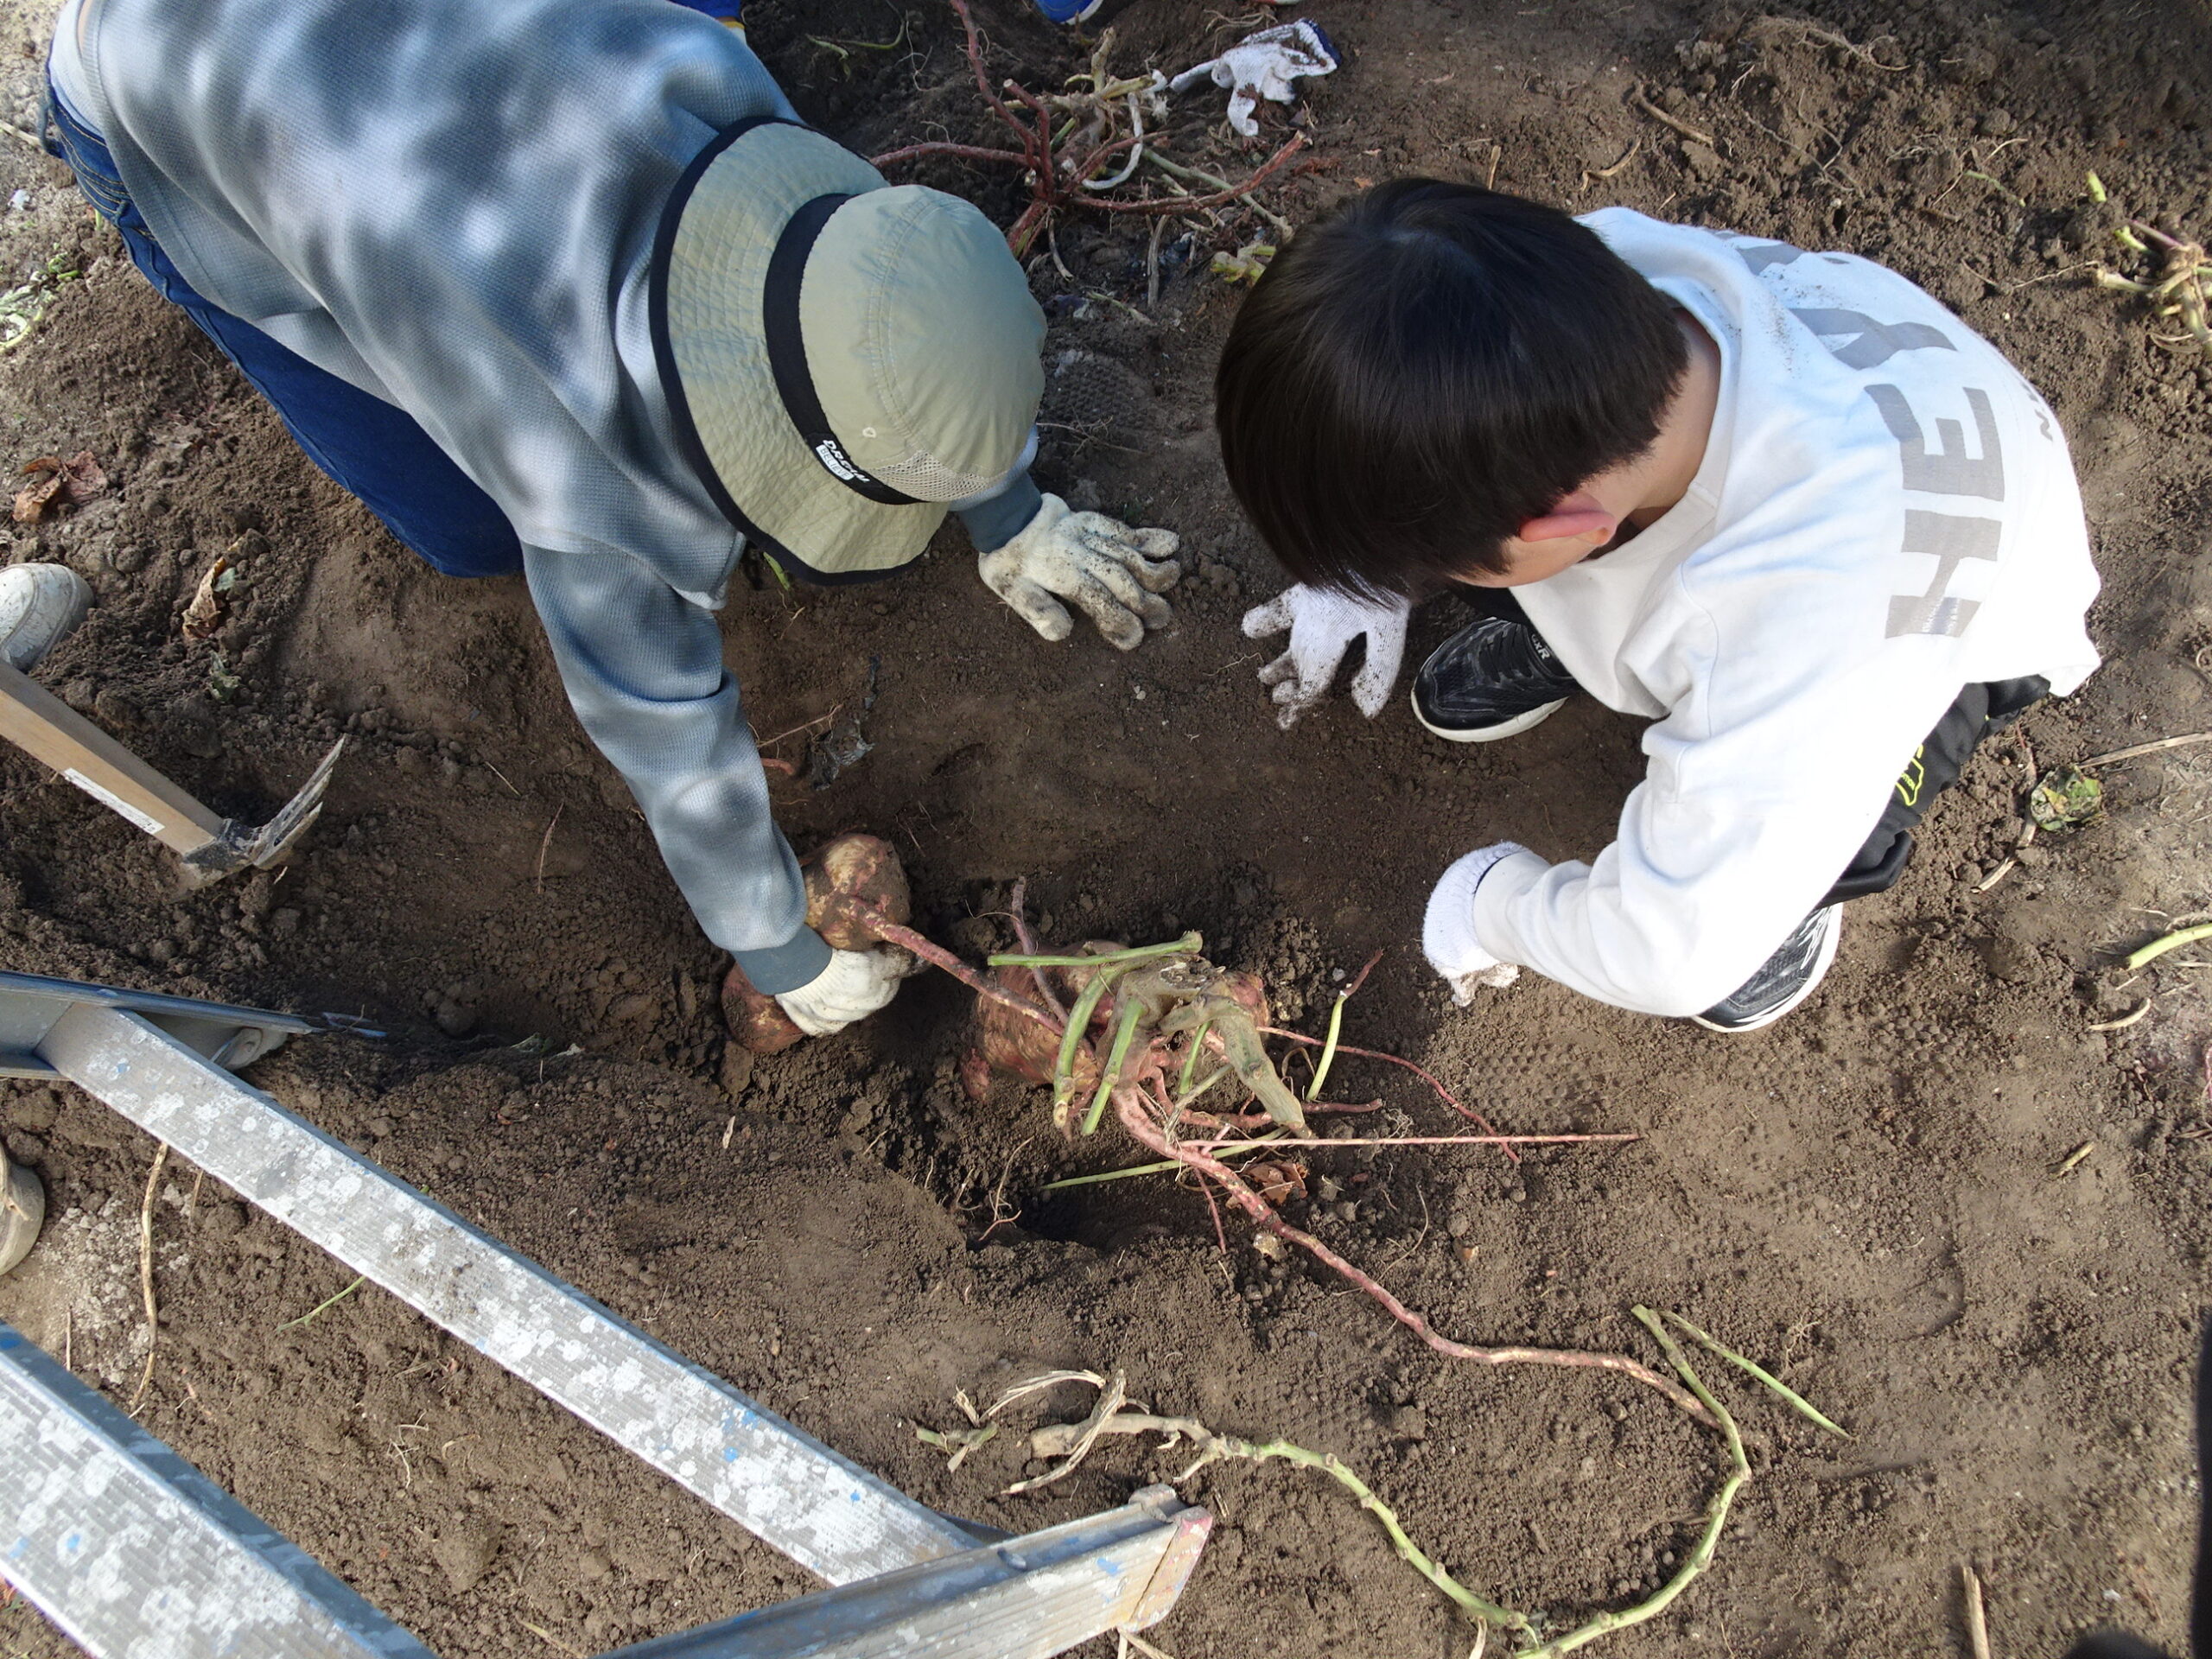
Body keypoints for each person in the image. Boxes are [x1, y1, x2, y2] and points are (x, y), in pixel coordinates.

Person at [41, 0, 1183, 1041]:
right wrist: (776, 947)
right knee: (468, 532)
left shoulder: (721, 97)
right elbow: (664, 729)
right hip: (150, 93)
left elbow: (890, 331)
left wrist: (1011, 509)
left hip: (396, 78)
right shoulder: (574, 466)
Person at [1217, 181, 2100, 1031]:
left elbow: (1662, 953)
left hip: (1952, 628)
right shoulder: (1570, 278)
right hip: (1864, 419)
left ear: (1571, 528)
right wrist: (1367, 557)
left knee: (1823, 839)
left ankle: (1794, 899)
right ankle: (1575, 636)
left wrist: (1493, 905)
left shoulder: (1802, 621)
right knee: (1534, 564)